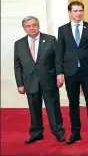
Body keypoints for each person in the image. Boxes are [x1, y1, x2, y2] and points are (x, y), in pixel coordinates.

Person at [14, 16, 66, 144]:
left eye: (34, 25)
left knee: (53, 108)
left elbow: (57, 59)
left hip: (48, 80)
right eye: (28, 26)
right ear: (24, 28)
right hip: (29, 81)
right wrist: (20, 84)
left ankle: (58, 132)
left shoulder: (50, 39)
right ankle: (36, 133)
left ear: (38, 25)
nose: (32, 28)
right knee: (34, 109)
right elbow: (17, 65)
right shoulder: (19, 44)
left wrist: (59, 74)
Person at [55, 1, 88, 144]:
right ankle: (75, 133)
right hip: (70, 72)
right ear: (69, 13)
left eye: (81, 10)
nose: (78, 13)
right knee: (73, 103)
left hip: (87, 71)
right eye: (75, 11)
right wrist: (59, 72)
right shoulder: (62, 30)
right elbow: (60, 52)